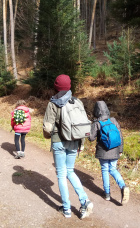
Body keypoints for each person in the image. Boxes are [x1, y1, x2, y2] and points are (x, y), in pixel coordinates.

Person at [43, 74, 93, 219]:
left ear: (56, 87)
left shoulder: (53, 103)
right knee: (70, 171)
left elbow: (47, 128)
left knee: (61, 174)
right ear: (69, 86)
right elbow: (83, 124)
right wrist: (81, 144)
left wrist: (49, 137)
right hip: (74, 141)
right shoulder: (77, 101)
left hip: (58, 141)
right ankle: (85, 200)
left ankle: (66, 209)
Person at [88, 101, 130, 205]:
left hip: (103, 151)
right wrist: (120, 150)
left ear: (96, 111)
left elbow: (91, 138)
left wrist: (89, 128)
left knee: (105, 169)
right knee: (113, 169)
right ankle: (123, 186)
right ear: (106, 109)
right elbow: (120, 136)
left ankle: (107, 193)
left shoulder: (97, 123)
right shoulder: (113, 120)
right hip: (115, 150)